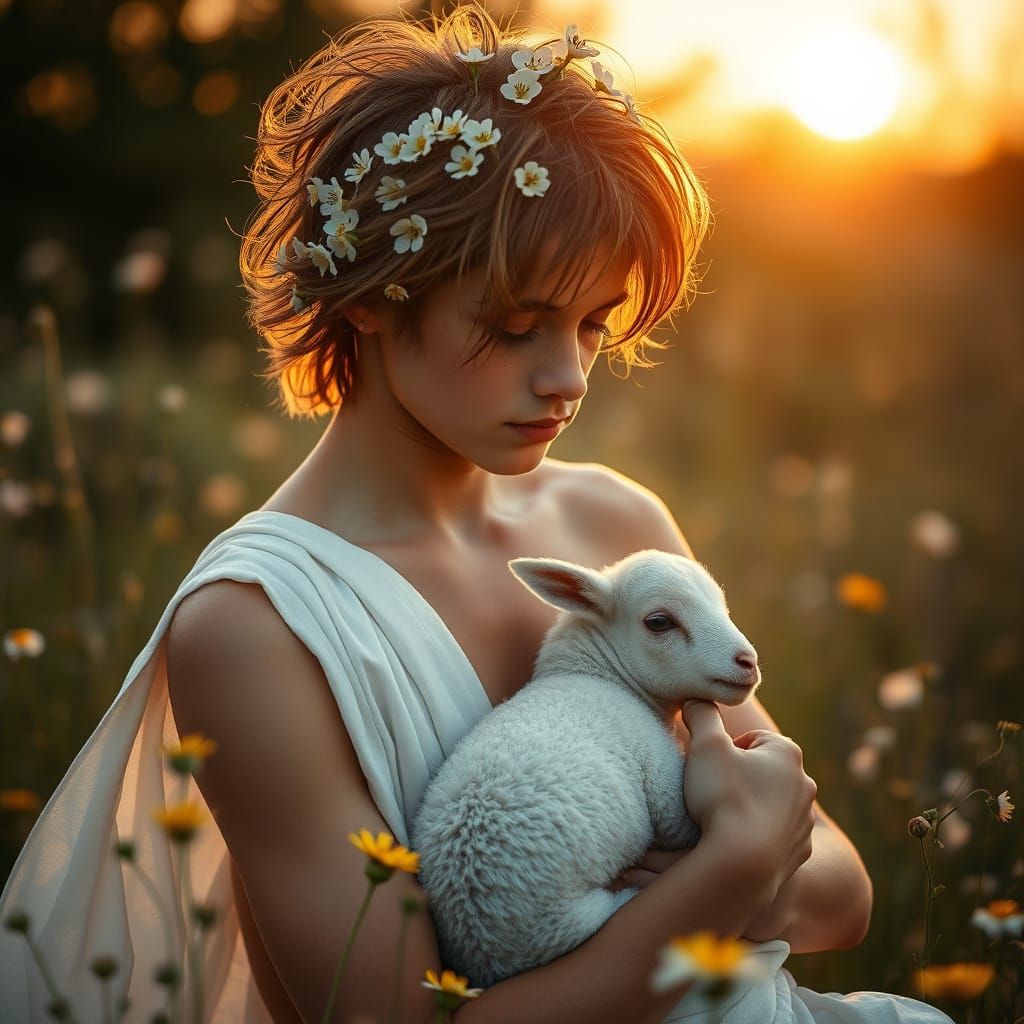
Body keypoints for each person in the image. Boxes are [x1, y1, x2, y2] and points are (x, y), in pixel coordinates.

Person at [0, 6, 954, 1023]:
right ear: (367, 287)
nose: (569, 377)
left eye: (593, 323)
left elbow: (840, 894)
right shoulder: (254, 627)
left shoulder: (610, 522)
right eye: (513, 325)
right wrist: (722, 875)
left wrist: (677, 894)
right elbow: (405, 1020)